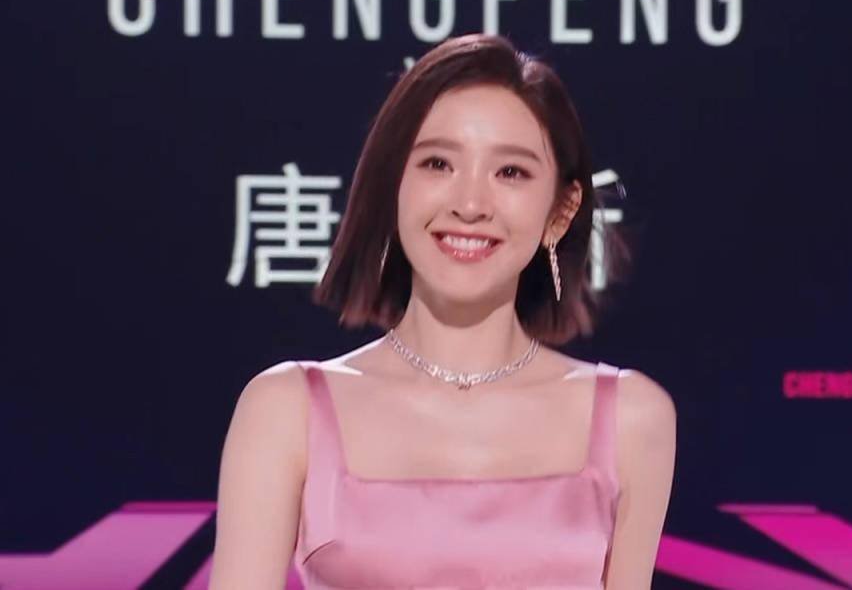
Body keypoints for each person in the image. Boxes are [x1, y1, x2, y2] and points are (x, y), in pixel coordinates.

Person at [209, 33, 676, 589]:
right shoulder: (288, 410)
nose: (470, 205)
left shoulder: (631, 420)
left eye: (511, 172)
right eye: (437, 163)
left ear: (561, 211)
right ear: (393, 186)